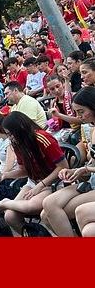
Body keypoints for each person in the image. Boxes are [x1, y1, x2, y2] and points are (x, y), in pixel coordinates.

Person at [0, 112, 69, 235]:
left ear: (21, 129)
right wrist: (5, 175)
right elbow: (23, 171)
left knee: (30, 206)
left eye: (11, 134)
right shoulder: (17, 144)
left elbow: (63, 167)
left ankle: (4, 203)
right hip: (33, 182)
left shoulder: (43, 138)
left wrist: (41, 185)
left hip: (53, 182)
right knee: (10, 216)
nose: (10, 138)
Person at [41, 86, 95, 236]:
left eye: (82, 112)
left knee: (50, 214)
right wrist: (73, 172)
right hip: (91, 180)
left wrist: (86, 169)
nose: (80, 117)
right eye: (77, 112)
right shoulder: (91, 128)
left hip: (92, 181)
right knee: (46, 209)